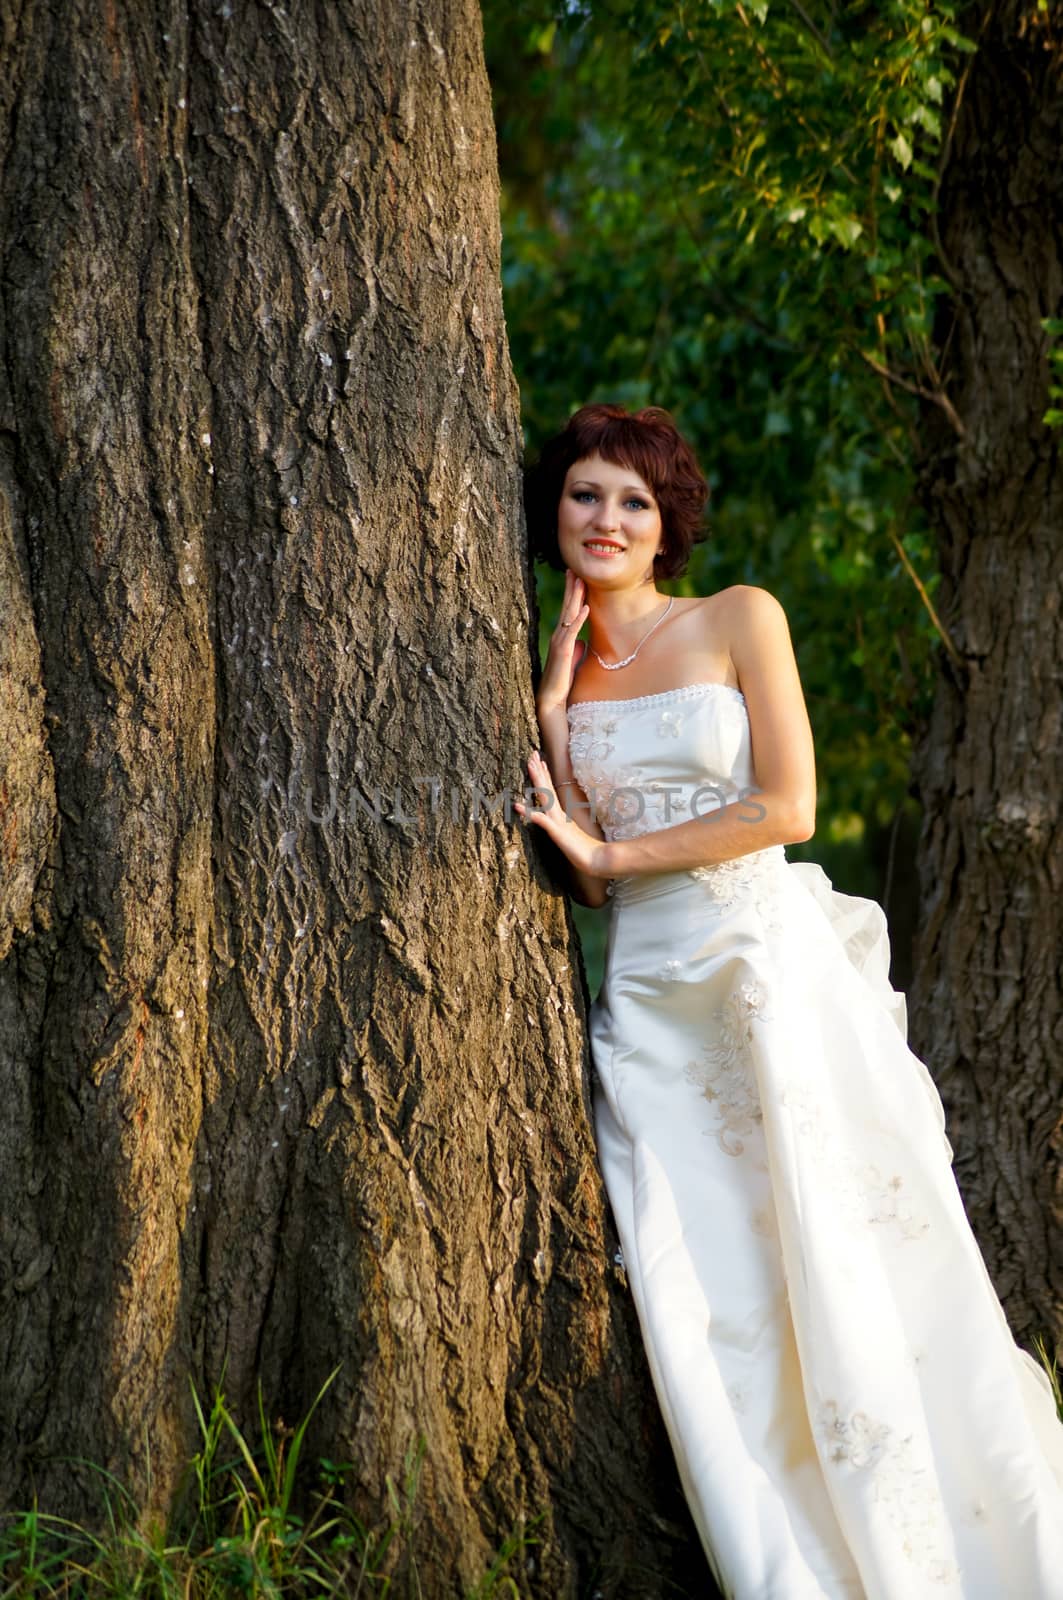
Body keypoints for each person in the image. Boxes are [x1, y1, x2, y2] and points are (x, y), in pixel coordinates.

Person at [513, 402, 1063, 1599]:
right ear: (552, 511)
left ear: (669, 526)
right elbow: (588, 860)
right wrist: (555, 712)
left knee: (838, 1247)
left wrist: (607, 861)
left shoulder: (736, 620)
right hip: (653, 1002)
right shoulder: (553, 666)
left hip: (764, 972)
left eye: (633, 501)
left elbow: (786, 808)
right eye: (584, 495)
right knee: (717, 1288)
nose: (605, 519)